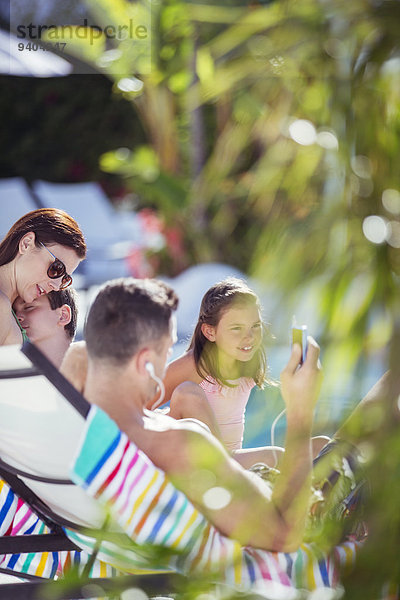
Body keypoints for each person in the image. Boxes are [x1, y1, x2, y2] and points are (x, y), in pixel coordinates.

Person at [151, 277, 329, 465]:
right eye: (236, 328)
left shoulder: (247, 359)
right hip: (206, 464)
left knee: (324, 447)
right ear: (210, 332)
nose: (249, 337)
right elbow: (141, 405)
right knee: (187, 393)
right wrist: (166, 419)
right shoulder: (194, 365)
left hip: (234, 456)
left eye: (255, 326)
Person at [0, 208, 86, 346]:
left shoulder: (10, 307)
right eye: (56, 268)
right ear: (26, 244)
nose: (56, 286)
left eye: (65, 279)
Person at [12, 288, 78, 368]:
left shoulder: (91, 371)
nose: (17, 317)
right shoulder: (10, 369)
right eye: (14, 312)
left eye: (28, 307)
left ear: (63, 315)